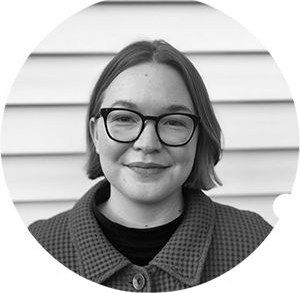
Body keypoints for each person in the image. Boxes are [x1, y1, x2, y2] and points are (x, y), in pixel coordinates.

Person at [1, 40, 299, 293]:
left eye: (173, 123)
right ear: (95, 133)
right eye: (124, 118)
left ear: (199, 136)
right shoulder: (32, 258)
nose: (147, 143)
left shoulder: (261, 252)